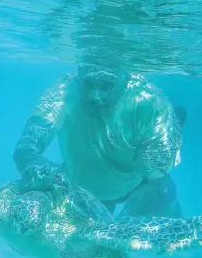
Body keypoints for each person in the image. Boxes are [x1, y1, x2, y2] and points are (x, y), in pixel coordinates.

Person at [13, 68, 187, 218]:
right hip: (83, 189)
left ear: (125, 77)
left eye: (106, 85)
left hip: (137, 185)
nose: (94, 95)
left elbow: (156, 181)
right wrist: (35, 167)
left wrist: (124, 222)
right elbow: (27, 147)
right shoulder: (65, 90)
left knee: (167, 206)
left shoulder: (149, 103)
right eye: (88, 83)